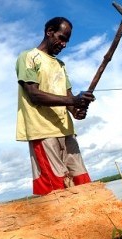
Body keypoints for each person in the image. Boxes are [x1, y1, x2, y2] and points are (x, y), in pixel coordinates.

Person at [15, 16, 95, 195]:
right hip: (43, 132)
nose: (64, 44)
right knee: (56, 188)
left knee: (82, 182)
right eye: (62, 38)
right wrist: (73, 101)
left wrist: (78, 108)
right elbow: (34, 95)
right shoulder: (28, 57)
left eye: (67, 40)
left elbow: (69, 100)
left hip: (66, 130)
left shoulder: (60, 65)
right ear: (49, 32)